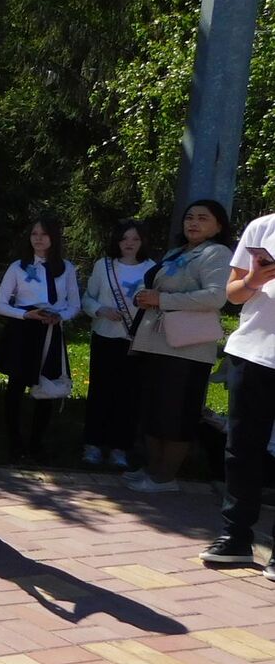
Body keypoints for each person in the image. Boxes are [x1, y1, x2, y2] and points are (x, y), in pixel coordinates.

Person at [124, 199, 233, 492]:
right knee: (154, 409)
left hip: (188, 347)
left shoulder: (217, 253)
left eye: (202, 218)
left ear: (218, 225)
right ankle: (151, 470)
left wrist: (163, 300)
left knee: (177, 412)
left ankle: (166, 477)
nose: (193, 223)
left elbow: (215, 297)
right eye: (189, 217)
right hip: (157, 341)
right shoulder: (177, 252)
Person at [201, 208, 275, 569]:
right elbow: (233, 294)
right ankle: (236, 537)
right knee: (242, 448)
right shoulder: (262, 227)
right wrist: (254, 280)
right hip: (253, 354)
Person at [0, 215, 80, 462]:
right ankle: (14, 442)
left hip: (50, 331)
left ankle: (36, 443)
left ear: (54, 238)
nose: (38, 239)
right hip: (24, 330)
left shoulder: (66, 269)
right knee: (16, 388)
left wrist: (58, 317)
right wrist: (25, 314)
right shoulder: (18, 267)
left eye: (44, 234)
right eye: (34, 234)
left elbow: (74, 305)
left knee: (46, 388)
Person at [80, 219, 152, 469]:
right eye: (124, 239)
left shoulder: (152, 268)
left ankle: (120, 447)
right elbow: (88, 298)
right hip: (105, 337)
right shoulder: (104, 266)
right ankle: (93, 444)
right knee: (100, 392)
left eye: (135, 239)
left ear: (142, 241)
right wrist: (100, 309)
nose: (129, 244)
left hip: (135, 341)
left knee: (129, 396)